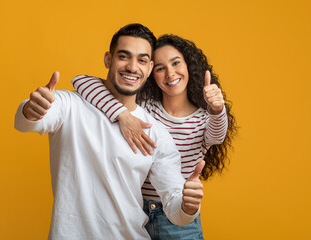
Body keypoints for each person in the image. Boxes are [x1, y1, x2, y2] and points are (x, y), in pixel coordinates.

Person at [14, 24, 205, 239]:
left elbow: (175, 210)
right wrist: (32, 109)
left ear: (150, 68)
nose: (133, 67)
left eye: (142, 60)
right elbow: (26, 122)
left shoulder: (156, 133)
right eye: (124, 56)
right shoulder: (69, 105)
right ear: (108, 59)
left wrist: (189, 206)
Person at [72, 34, 237, 239]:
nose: (170, 73)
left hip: (178, 219)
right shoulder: (145, 106)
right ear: (151, 72)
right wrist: (122, 114)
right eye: (160, 68)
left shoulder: (203, 119)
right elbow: (82, 82)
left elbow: (218, 135)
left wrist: (217, 108)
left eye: (176, 63)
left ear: (189, 67)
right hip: (133, 212)